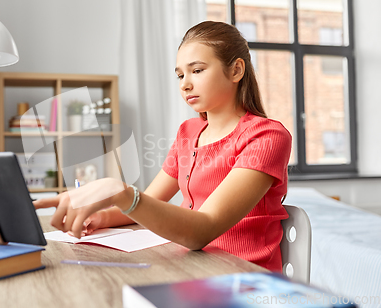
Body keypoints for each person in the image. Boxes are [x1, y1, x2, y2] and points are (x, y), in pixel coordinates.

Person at [33, 21, 292, 272]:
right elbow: (148, 203)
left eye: (197, 70)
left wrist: (119, 191)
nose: (185, 84)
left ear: (236, 70)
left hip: (243, 280)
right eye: (180, 75)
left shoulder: (267, 137)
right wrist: (99, 218)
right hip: (190, 266)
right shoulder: (188, 132)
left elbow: (202, 230)